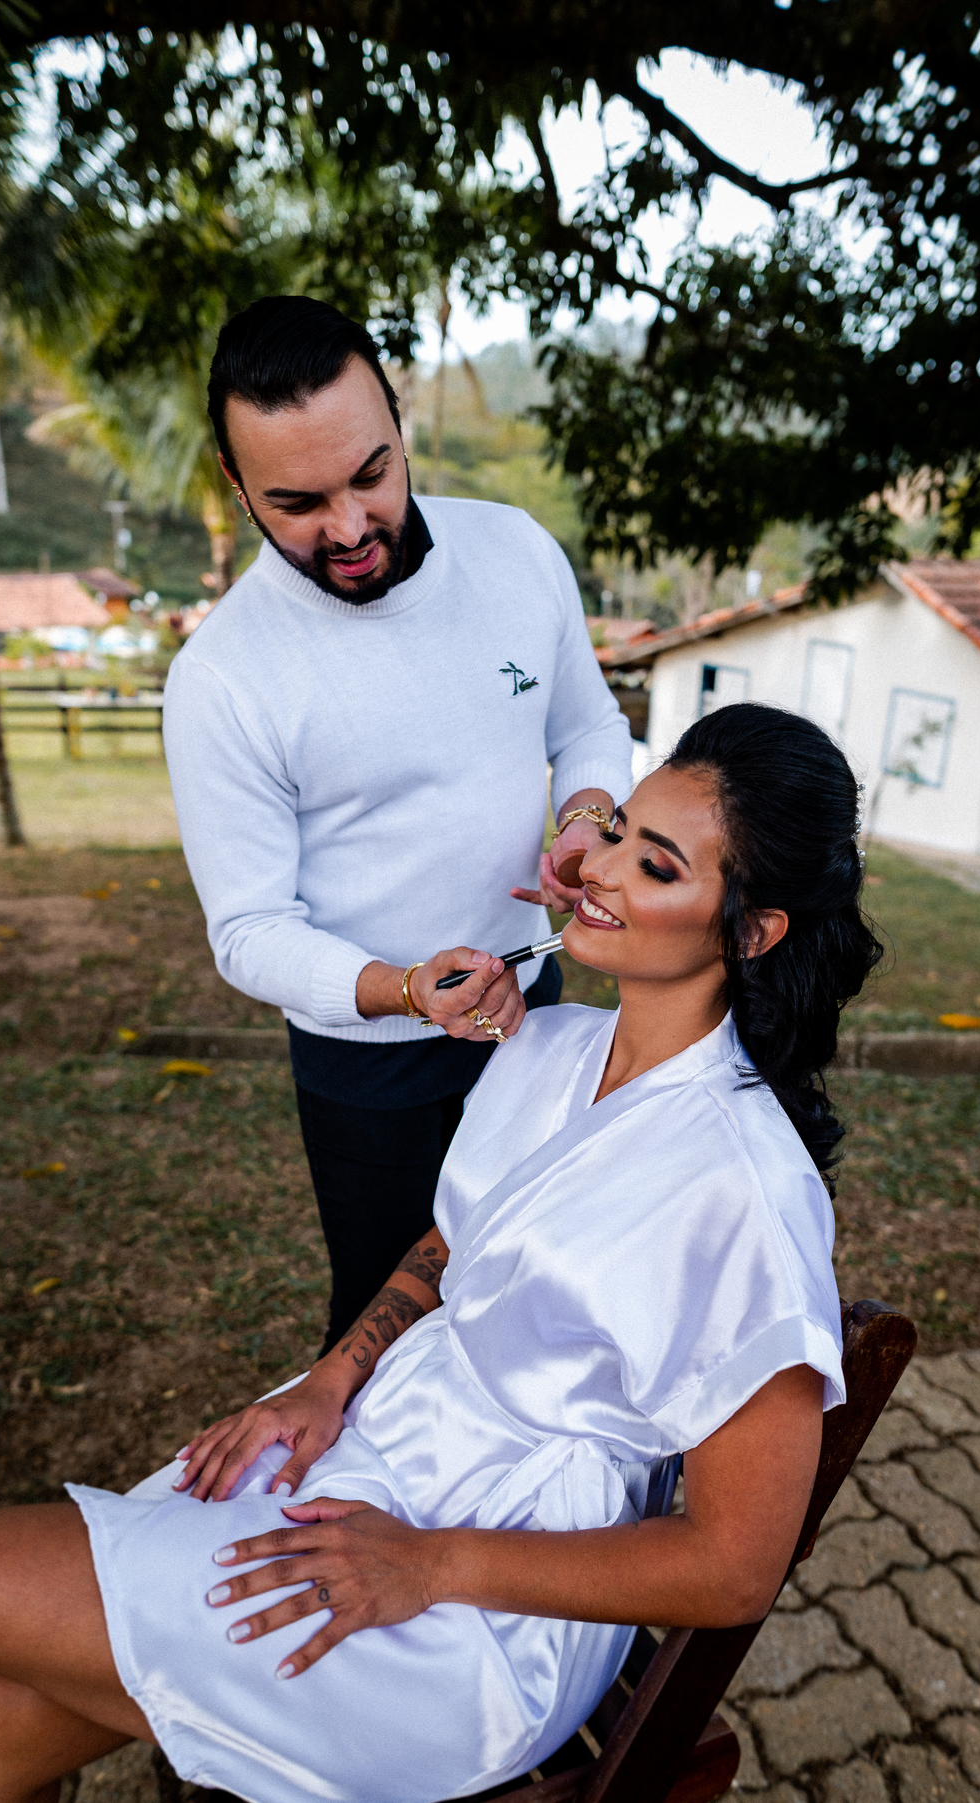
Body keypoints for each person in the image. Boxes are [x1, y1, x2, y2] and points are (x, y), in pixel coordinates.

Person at [0, 703, 883, 1803]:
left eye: (654, 864)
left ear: (752, 931)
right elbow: (458, 1240)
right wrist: (330, 1379)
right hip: (384, 1437)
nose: (594, 869)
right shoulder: (551, 1044)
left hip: (488, 1601)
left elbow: (734, 1569)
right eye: (614, 831)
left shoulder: (743, 1191)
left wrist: (429, 1561)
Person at [163, 295, 633, 1350]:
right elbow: (249, 931)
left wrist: (587, 818)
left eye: (370, 475)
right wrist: (408, 987)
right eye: (296, 502)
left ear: (399, 426)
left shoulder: (516, 551)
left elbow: (589, 723)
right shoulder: (222, 679)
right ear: (235, 484)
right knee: (388, 1328)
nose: (347, 528)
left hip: (534, 1009)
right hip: (368, 1062)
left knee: (535, 1287)